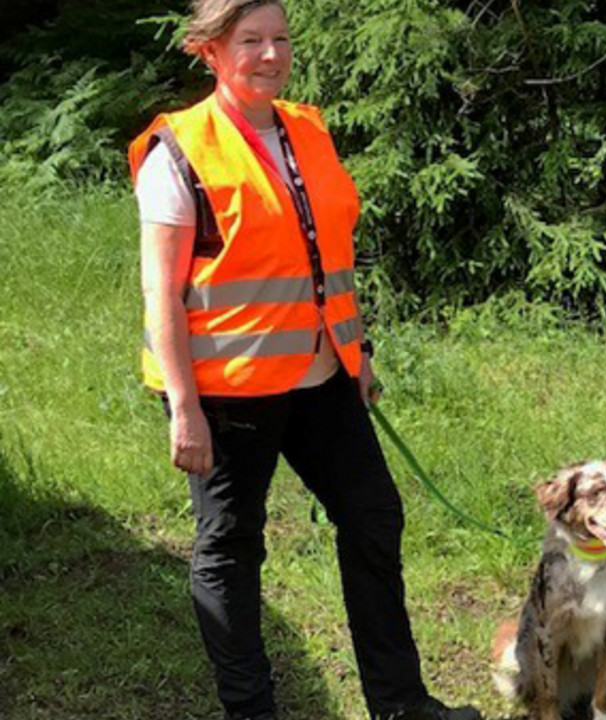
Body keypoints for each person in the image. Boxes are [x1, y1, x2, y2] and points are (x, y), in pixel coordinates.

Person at [130, 2, 481, 719]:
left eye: (280, 39)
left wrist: (360, 354)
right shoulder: (179, 151)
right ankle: (252, 710)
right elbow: (160, 294)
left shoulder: (308, 130)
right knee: (231, 548)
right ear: (210, 52)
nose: (269, 55)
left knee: (374, 516)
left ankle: (401, 702)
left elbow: (326, 259)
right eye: (250, 41)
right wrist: (185, 409)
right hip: (227, 395)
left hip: (323, 379)